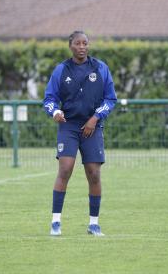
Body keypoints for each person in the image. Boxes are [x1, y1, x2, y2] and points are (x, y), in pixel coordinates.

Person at [43, 30, 117, 236]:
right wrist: (55, 111)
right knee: (65, 169)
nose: (82, 47)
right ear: (71, 46)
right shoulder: (61, 70)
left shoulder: (101, 68)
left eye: (85, 43)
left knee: (94, 174)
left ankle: (94, 224)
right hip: (69, 126)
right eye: (78, 43)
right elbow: (49, 99)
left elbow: (110, 99)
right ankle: (55, 222)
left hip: (92, 127)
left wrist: (94, 119)